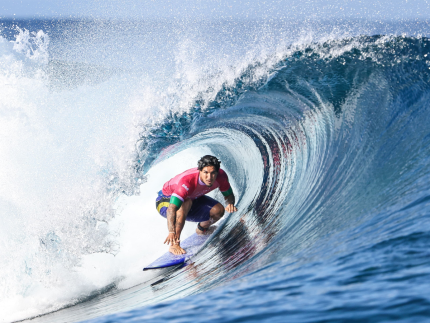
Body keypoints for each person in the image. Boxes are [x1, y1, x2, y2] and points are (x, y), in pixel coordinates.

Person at [155, 155, 237, 255]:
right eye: (206, 173)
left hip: (192, 198)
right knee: (186, 202)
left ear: (217, 171)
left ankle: (202, 229)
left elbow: (229, 195)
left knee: (218, 210)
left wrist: (230, 204)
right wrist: (171, 232)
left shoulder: (221, 176)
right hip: (165, 202)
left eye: (213, 173)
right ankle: (174, 244)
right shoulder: (187, 181)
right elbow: (171, 209)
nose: (209, 177)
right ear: (200, 171)